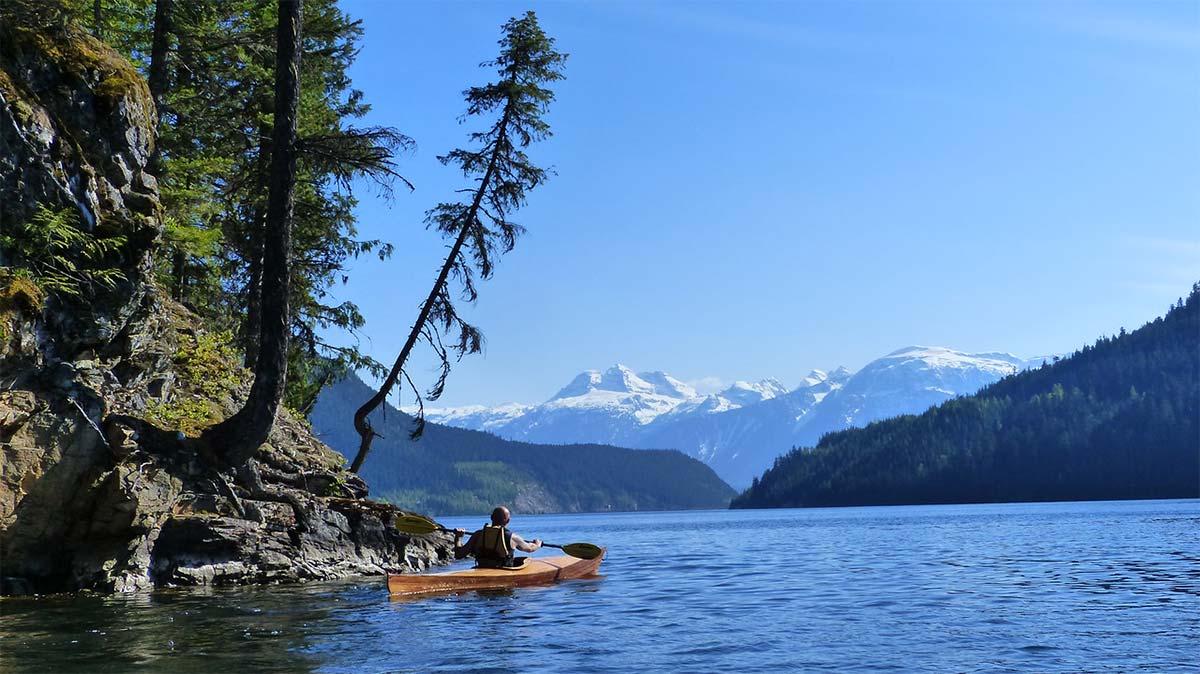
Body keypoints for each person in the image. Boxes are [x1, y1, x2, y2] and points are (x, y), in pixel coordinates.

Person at [454, 506, 542, 568]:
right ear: (508, 521)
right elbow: (530, 549)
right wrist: (537, 544)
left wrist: (458, 537)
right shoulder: (513, 538)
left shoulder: (478, 535)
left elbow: (458, 555)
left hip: (482, 569)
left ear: (491, 518)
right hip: (503, 571)